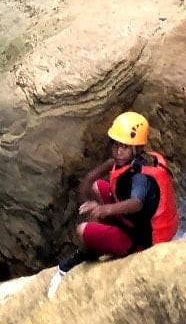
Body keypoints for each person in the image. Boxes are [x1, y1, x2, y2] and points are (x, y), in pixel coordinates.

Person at [57, 111, 178, 271]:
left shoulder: (140, 178)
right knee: (97, 187)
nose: (119, 151)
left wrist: (104, 210)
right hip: (132, 222)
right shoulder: (120, 163)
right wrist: (90, 201)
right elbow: (88, 181)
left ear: (137, 149)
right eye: (116, 145)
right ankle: (104, 232)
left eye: (125, 147)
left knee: (82, 230)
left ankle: (89, 252)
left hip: (142, 242)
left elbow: (136, 203)